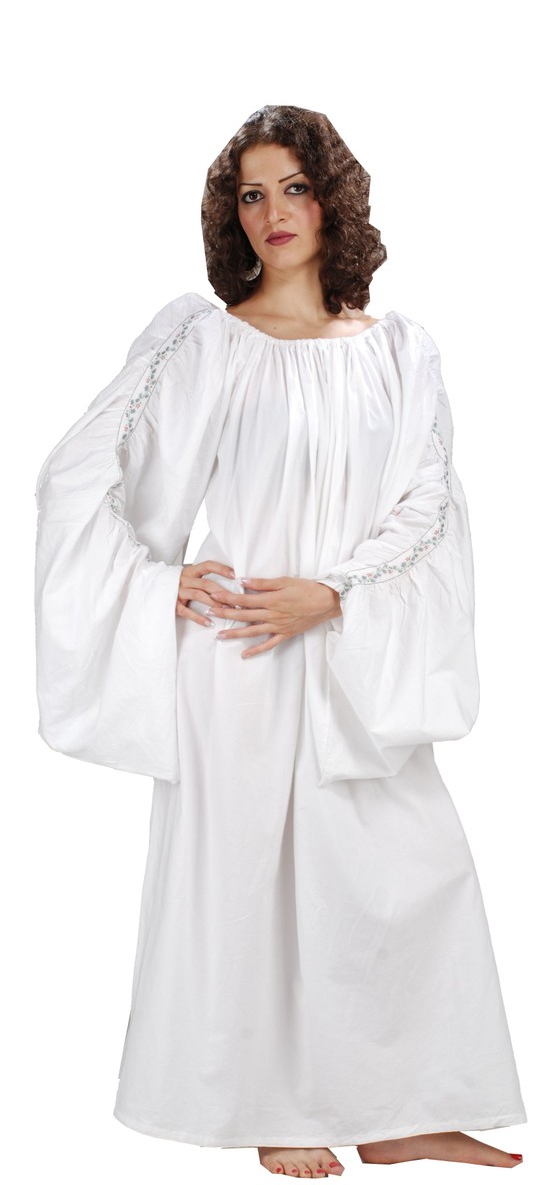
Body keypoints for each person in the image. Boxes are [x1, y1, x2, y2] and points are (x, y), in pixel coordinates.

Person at [34, 104, 527, 1177]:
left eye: (293, 187)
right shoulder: (202, 341)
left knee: (400, 869)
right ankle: (273, 1105)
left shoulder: (400, 349)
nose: (273, 212)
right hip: (241, 657)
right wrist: (156, 579)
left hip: (354, 655)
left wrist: (337, 594)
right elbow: (81, 474)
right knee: (247, 877)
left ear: (332, 198)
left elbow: (428, 506)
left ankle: (397, 1112)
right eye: (251, 194)